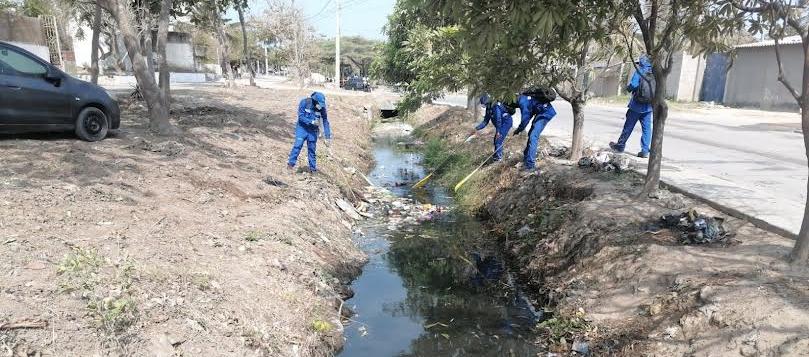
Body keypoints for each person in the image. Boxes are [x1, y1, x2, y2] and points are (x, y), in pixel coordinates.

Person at [610, 55, 654, 158]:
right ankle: (645, 150)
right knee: (647, 129)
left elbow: (633, 85)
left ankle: (620, 146)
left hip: (636, 106)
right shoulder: (654, 73)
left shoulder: (639, 71)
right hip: (648, 106)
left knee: (628, 127)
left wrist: (628, 88)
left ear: (641, 63)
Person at [514, 88, 557, 172]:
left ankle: (530, 166)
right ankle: (526, 159)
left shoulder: (523, 102)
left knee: (533, 137)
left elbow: (525, 119)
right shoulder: (526, 98)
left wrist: (518, 130)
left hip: (545, 113)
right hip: (541, 111)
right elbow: (530, 113)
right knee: (531, 134)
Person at [287, 92, 332, 173]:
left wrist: (327, 137)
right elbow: (301, 116)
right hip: (302, 128)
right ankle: (290, 165)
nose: (320, 106)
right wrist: (311, 121)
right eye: (319, 104)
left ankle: (313, 170)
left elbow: (325, 121)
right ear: (314, 100)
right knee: (297, 145)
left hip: (313, 131)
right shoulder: (305, 102)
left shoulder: (322, 108)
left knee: (312, 150)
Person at [471, 94, 513, 163]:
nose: (484, 106)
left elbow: (498, 120)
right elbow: (485, 121)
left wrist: (498, 131)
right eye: (484, 104)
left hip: (505, 124)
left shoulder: (496, 107)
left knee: (498, 140)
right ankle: (496, 156)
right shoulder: (489, 108)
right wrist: (476, 129)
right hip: (500, 125)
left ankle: (498, 159)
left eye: (485, 104)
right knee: (496, 140)